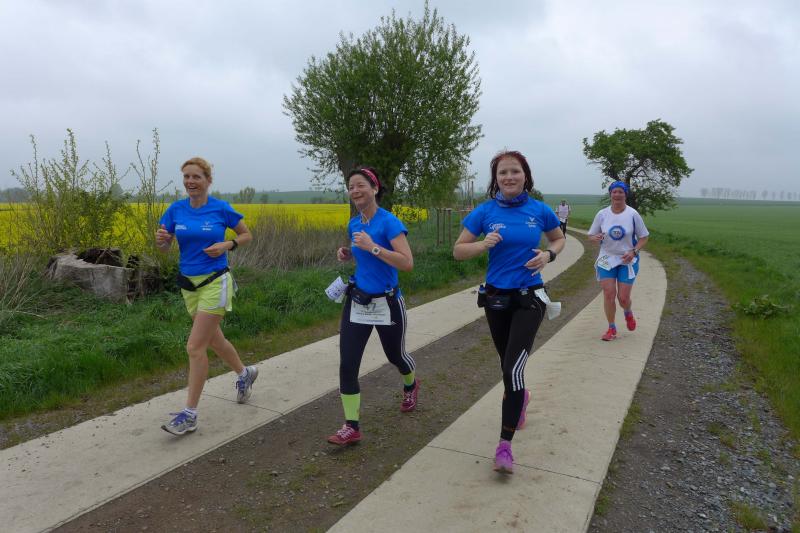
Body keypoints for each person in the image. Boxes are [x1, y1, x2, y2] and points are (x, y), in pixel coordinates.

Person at [453, 150, 565, 474]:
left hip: (530, 297)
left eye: (515, 171)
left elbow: (558, 239)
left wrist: (548, 255)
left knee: (512, 369)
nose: (509, 177)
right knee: (507, 365)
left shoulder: (540, 210)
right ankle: (521, 398)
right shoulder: (485, 211)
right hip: (496, 299)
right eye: (502, 173)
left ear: (525, 175)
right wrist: (482, 244)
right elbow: (458, 250)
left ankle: (504, 447)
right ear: (496, 179)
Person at [155, 157, 257, 436]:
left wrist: (227, 244)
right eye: (187, 177)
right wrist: (162, 241)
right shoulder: (175, 210)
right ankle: (245, 374)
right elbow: (164, 246)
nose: (190, 181)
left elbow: (246, 235)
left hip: (215, 282)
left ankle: (190, 415)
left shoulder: (220, 208)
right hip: (188, 285)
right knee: (215, 341)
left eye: (196, 177)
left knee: (194, 347)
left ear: (208, 181)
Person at [327, 166, 417, 446]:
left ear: (375, 189)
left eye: (360, 185)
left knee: (396, 356)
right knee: (348, 364)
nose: (355, 191)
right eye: (351, 187)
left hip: (387, 302)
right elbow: (364, 257)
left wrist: (372, 247)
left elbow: (407, 263)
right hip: (358, 301)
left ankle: (411, 384)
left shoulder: (389, 222)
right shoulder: (354, 224)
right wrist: (348, 254)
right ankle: (351, 426)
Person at [588, 181, 650, 341]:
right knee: (609, 293)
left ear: (625, 194)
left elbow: (644, 237)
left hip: (627, 259)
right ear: (610, 194)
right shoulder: (602, 214)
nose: (617, 195)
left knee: (623, 298)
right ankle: (611, 328)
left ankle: (628, 312)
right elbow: (591, 236)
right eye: (614, 192)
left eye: (620, 192)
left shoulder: (633, 214)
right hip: (607, 257)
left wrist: (634, 251)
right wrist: (595, 237)